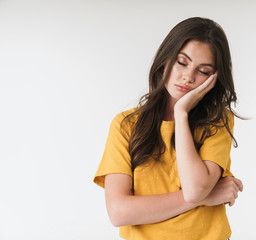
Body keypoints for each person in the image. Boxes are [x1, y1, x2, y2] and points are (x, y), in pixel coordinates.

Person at [94, 17, 244, 240]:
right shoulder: (126, 125)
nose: (188, 77)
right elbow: (118, 212)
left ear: (213, 78)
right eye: (182, 62)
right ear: (166, 58)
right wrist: (205, 197)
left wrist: (181, 114)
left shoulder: (217, 122)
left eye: (202, 70)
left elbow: (195, 189)